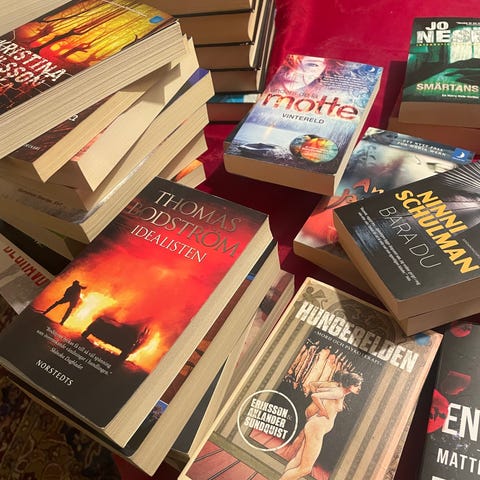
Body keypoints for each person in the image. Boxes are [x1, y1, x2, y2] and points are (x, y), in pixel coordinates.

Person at [279, 370, 363, 480]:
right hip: (316, 429)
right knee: (305, 469)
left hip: (315, 427)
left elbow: (318, 389)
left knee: (297, 462)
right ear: (349, 384)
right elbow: (315, 395)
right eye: (357, 385)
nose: (359, 388)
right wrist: (322, 409)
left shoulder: (339, 392)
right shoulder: (338, 392)